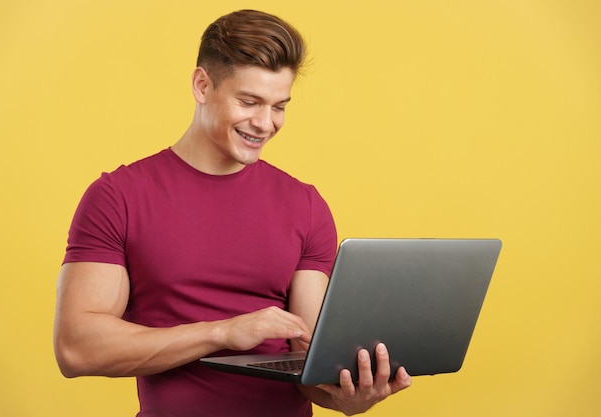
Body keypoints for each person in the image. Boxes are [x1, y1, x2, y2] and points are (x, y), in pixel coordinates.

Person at [53, 9, 411, 417]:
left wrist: (350, 397)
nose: (265, 123)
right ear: (202, 85)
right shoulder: (118, 197)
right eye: (249, 101)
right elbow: (76, 348)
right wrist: (224, 332)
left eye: (279, 106)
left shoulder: (306, 205)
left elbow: (309, 362)